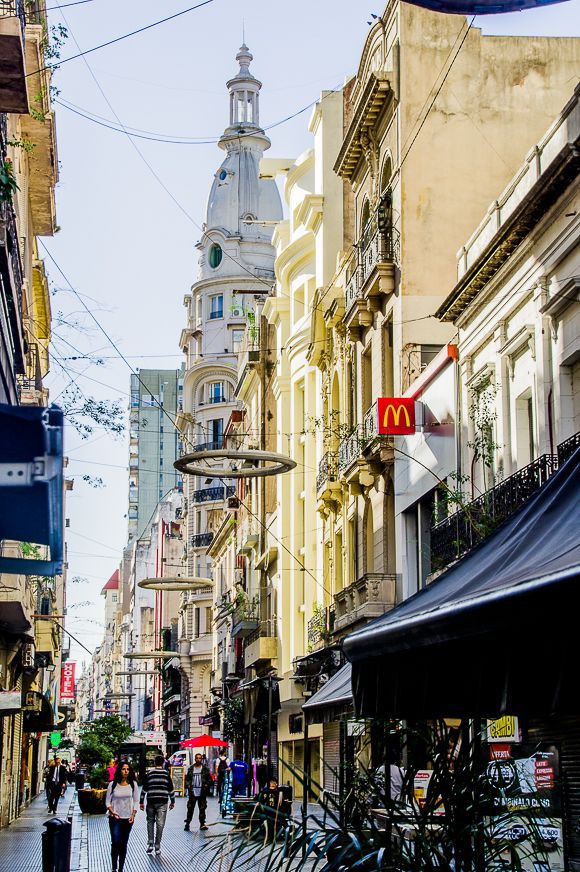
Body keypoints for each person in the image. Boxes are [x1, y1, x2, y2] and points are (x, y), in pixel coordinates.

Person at [106, 761, 139, 872]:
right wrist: (112, 812)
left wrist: (133, 814)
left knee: (123, 843)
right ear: (119, 770)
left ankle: (121, 868)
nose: (126, 771)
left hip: (128, 817)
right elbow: (107, 802)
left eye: (127, 769)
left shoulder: (133, 785)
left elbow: (136, 801)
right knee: (115, 842)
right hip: (115, 817)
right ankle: (114, 867)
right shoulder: (113, 785)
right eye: (123, 769)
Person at [140, 753, 175, 856]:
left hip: (151, 801)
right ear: (163, 763)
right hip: (162, 801)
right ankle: (157, 845)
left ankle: (150, 843)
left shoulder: (150, 774)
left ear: (154, 763)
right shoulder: (166, 774)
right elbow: (171, 789)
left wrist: (141, 802)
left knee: (150, 821)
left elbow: (144, 789)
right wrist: (172, 801)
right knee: (160, 824)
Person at [184, 752, 212, 832]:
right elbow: (187, 779)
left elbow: (209, 779)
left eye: (200, 758)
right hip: (192, 792)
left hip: (202, 792)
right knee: (190, 808)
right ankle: (187, 823)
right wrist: (188, 785)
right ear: (195, 759)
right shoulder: (191, 769)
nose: (198, 760)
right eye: (197, 758)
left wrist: (206, 784)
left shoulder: (205, 769)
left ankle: (202, 823)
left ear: (201, 759)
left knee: (202, 808)